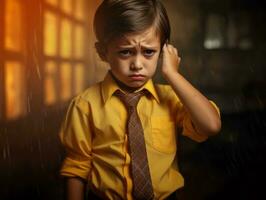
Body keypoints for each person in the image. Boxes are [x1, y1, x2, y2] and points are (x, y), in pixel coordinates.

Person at [59, 0, 221, 199]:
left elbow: (211, 125)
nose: (137, 64)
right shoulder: (85, 105)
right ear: (103, 52)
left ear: (163, 51)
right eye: (125, 52)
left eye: (148, 52)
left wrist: (173, 75)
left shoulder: (170, 98)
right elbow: (77, 167)